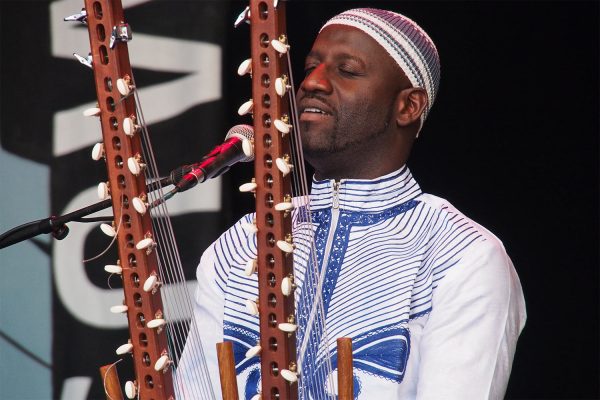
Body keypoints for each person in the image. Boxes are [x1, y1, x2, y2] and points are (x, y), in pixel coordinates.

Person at [179, 7, 526, 399]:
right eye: (310, 67)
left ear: (408, 106)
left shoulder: (459, 256)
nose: (312, 83)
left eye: (347, 70)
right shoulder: (238, 247)